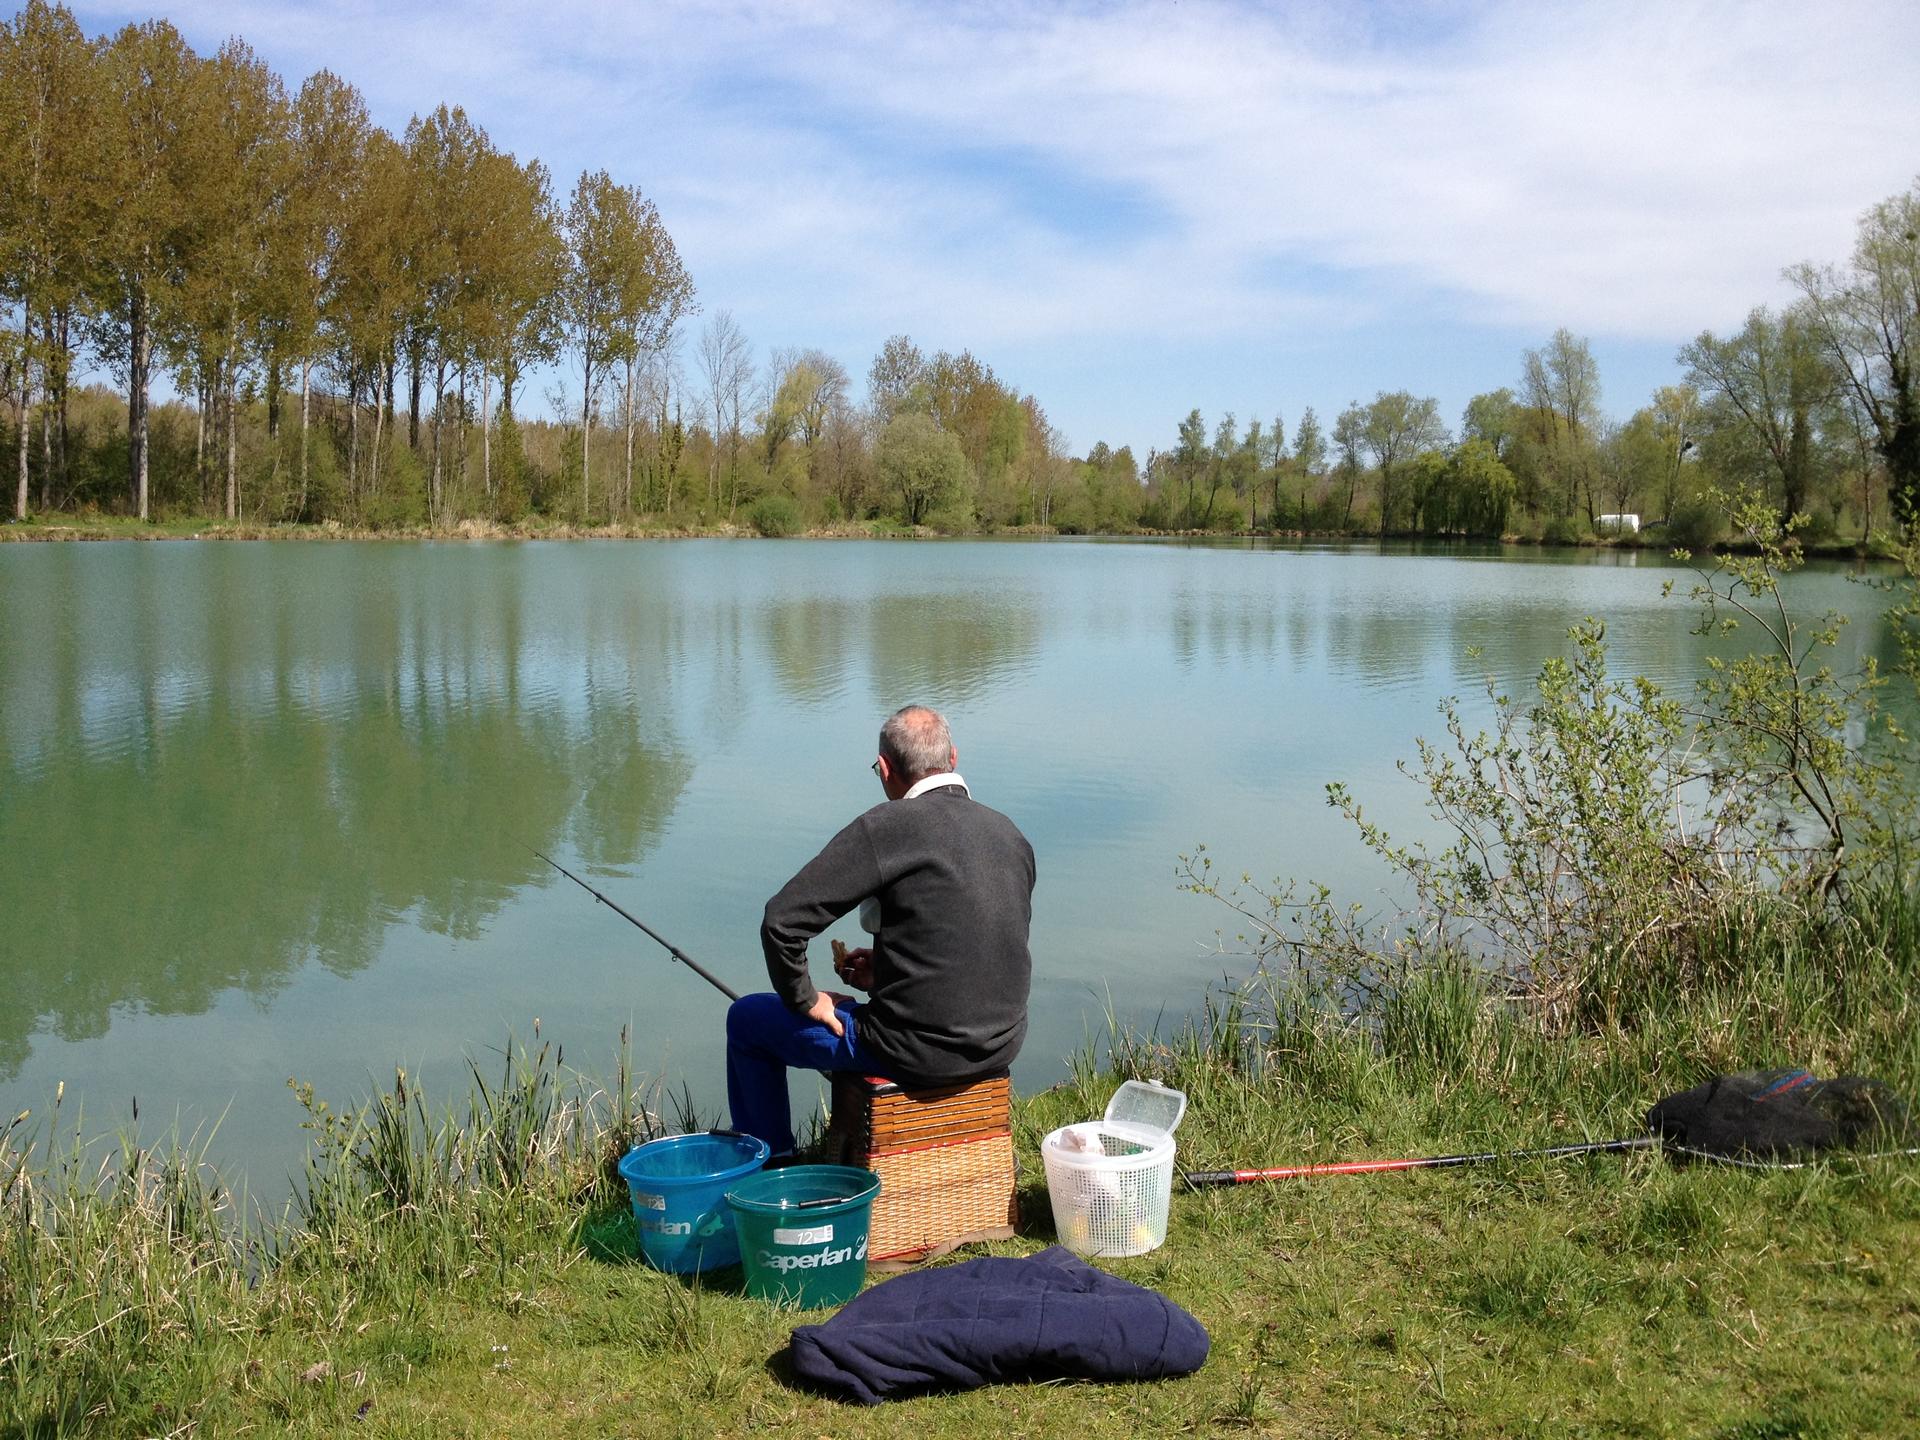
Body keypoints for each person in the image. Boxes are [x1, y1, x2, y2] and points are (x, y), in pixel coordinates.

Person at [725, 704, 1036, 1158]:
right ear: (952, 758)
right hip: (1000, 1044)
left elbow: (782, 922)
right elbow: (982, 940)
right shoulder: (1010, 834)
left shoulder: (887, 827)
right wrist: (890, 971)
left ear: (886, 769)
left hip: (910, 1050)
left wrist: (807, 1000)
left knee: (748, 1020)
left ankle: (771, 1168)